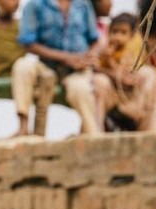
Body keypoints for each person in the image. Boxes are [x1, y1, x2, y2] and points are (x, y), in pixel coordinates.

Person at [11, 0, 103, 135]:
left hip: (76, 71)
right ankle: (23, 126)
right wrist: (65, 58)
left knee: (81, 90)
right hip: (47, 65)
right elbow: (28, 43)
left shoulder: (83, 5)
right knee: (22, 66)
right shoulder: (35, 5)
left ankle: (92, 135)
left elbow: (95, 40)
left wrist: (87, 59)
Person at [94, 13, 156, 130]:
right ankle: (96, 133)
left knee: (151, 76)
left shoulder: (132, 51)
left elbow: (129, 74)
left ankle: (145, 125)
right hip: (113, 91)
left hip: (133, 93)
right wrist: (109, 60)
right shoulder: (105, 49)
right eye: (115, 32)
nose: (118, 36)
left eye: (123, 33)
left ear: (132, 35)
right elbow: (98, 68)